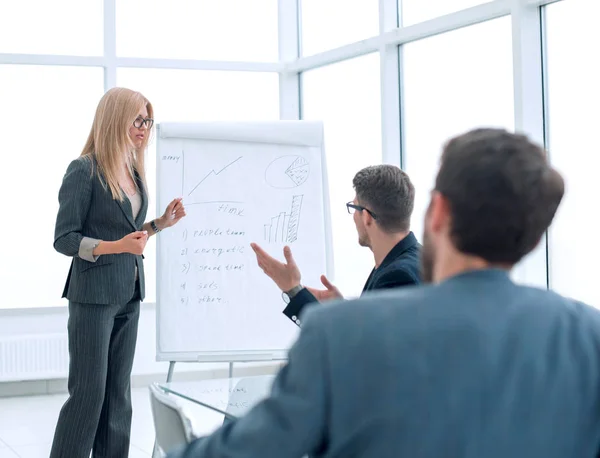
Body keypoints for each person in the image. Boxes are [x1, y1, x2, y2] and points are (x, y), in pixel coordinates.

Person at [167, 128, 600, 458]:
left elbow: (250, 449)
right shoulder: (588, 335)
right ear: (534, 235)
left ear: (438, 212)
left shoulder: (337, 333)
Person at [50, 87, 186, 458]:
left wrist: (159, 224)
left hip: (129, 290)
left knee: (118, 396)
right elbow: (64, 239)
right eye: (137, 120)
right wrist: (116, 247)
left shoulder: (133, 170)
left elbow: (128, 232)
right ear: (115, 120)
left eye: (148, 121)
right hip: (93, 296)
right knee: (88, 397)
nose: (144, 128)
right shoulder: (84, 169)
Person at [251, 164, 420, 326]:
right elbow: (372, 330)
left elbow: (358, 349)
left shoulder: (397, 278)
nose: (353, 216)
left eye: (354, 207)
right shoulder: (414, 260)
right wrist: (342, 307)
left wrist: (292, 288)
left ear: (367, 216)